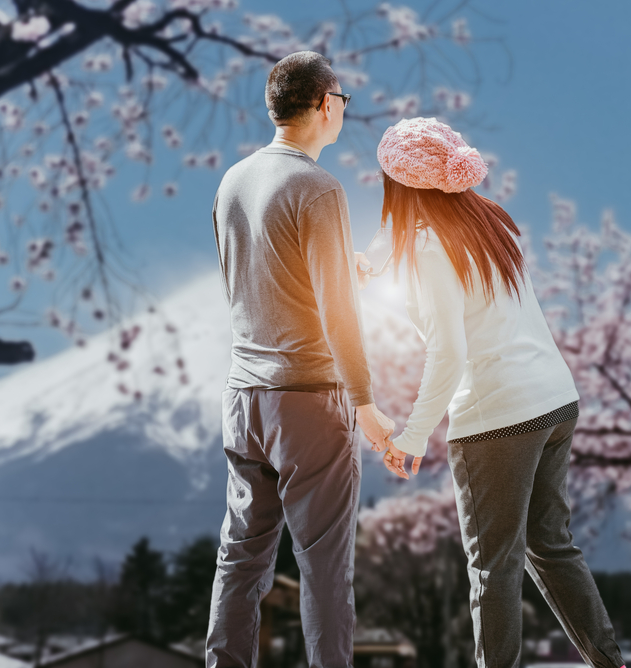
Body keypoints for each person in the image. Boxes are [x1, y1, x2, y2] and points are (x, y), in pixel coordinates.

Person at [375, 117, 627, 668]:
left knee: (494, 567)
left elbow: (449, 353)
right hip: (555, 401)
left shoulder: (428, 248)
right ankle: (611, 662)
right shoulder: (489, 221)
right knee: (551, 545)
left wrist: (413, 435)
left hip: (498, 419)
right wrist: (371, 263)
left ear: (400, 187)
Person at [206, 51, 395, 668]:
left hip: (243, 398)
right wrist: (365, 403)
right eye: (342, 98)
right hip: (310, 399)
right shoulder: (319, 187)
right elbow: (336, 311)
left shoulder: (233, 179)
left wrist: (343, 265)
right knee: (322, 570)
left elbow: (257, 277)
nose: (343, 109)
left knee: (241, 559)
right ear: (323, 103)